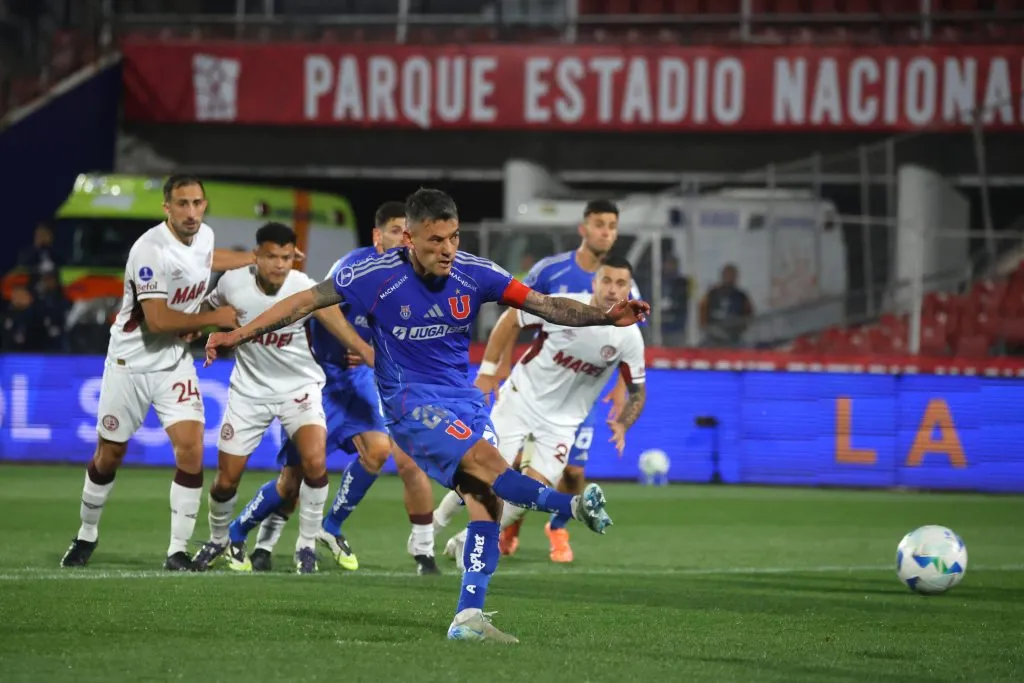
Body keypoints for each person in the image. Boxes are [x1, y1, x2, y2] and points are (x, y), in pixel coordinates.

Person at [205, 188, 648, 642]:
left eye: (453, 237)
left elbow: (546, 305)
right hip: (409, 404)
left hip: (463, 399)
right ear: (409, 239)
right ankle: (572, 506)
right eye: (435, 240)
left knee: (486, 503)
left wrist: (604, 316)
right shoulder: (373, 275)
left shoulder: (476, 273)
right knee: (487, 464)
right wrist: (238, 334)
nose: (448, 249)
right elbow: (303, 302)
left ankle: (468, 618)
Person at [221, 202, 443, 576]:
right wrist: (355, 346)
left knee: (377, 449)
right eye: (394, 231)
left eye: (407, 234)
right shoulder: (352, 269)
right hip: (321, 377)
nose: (402, 240)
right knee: (292, 481)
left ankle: (330, 527)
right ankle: (240, 532)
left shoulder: (412, 279)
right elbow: (320, 311)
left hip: (359, 378)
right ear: (377, 236)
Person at [59, 174, 259, 571]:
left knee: (191, 450)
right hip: (130, 364)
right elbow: (155, 319)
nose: (191, 212)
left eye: (197, 203)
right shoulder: (149, 250)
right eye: (182, 204)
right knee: (109, 455)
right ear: (166, 208)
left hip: (173, 363)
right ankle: (86, 534)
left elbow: (209, 258)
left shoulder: (203, 236)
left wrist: (255, 258)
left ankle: (177, 551)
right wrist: (212, 317)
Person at [437, 255, 647, 564]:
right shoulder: (565, 306)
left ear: (630, 289)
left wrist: (624, 424)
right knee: (482, 472)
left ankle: (464, 540)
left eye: (621, 284)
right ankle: (432, 526)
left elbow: (638, 392)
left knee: (528, 493)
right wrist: (490, 369)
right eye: (606, 280)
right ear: (593, 282)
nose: (613, 290)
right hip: (520, 400)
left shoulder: (629, 337)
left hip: (562, 423)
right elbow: (511, 318)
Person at [190, 222, 372, 574]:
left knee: (316, 462)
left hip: (298, 389)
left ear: (294, 257)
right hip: (249, 392)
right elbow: (207, 311)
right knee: (227, 479)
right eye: (271, 256)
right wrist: (200, 327)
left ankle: (304, 546)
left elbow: (335, 322)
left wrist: (365, 350)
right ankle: (217, 541)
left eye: (286, 257)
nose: (279, 264)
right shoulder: (232, 283)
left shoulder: (303, 286)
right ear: (256, 256)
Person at [474, 199, 636, 563]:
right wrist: (498, 367)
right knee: (513, 463)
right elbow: (512, 312)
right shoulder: (551, 270)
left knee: (575, 473)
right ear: (584, 229)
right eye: (599, 224)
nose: (606, 232)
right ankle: (512, 525)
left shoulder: (626, 284)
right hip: (539, 387)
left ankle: (555, 526)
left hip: (582, 396)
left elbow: (630, 338)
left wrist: (622, 389)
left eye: (612, 225)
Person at [699, 263, 754, 348]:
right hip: (713, 336)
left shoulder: (741, 296)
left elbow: (749, 316)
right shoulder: (712, 293)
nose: (729, 277)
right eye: (727, 274)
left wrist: (738, 329)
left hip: (734, 337)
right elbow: (702, 312)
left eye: (732, 275)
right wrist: (709, 329)